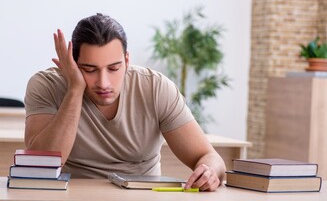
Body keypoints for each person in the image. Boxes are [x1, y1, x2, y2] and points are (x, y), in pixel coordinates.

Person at [24, 13, 226, 191]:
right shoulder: (46, 85)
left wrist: (209, 172)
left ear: (127, 61)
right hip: (74, 196)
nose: (103, 83)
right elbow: (41, 165)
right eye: (90, 69)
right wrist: (75, 89)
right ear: (74, 65)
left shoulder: (156, 88)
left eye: (113, 68)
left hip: (143, 196)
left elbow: (210, 157)